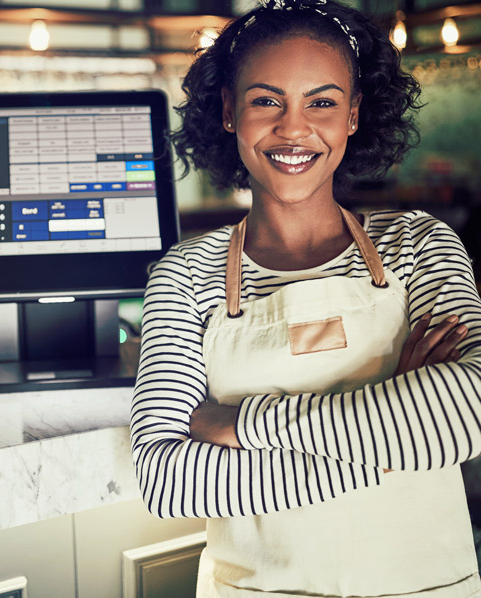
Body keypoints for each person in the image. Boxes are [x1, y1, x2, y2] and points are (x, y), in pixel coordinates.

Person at [130, 0, 481, 595]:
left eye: (321, 102)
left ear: (352, 114)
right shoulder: (185, 275)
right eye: (267, 100)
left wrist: (240, 422)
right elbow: (169, 481)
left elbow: (466, 414)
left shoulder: (419, 243)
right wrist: (396, 428)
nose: (294, 129)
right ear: (228, 113)